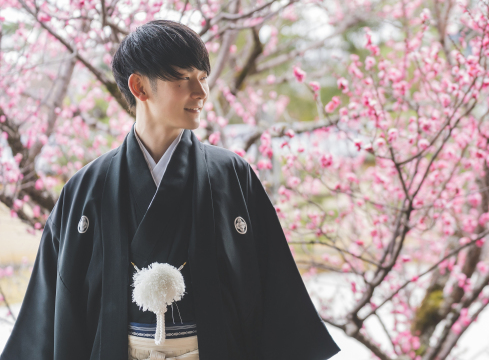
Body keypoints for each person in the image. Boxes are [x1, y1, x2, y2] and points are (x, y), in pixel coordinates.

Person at [1, 20, 340, 360]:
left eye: (203, 78)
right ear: (139, 86)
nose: (201, 92)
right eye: (183, 78)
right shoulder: (85, 188)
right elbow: (53, 310)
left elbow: (275, 291)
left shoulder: (232, 175)